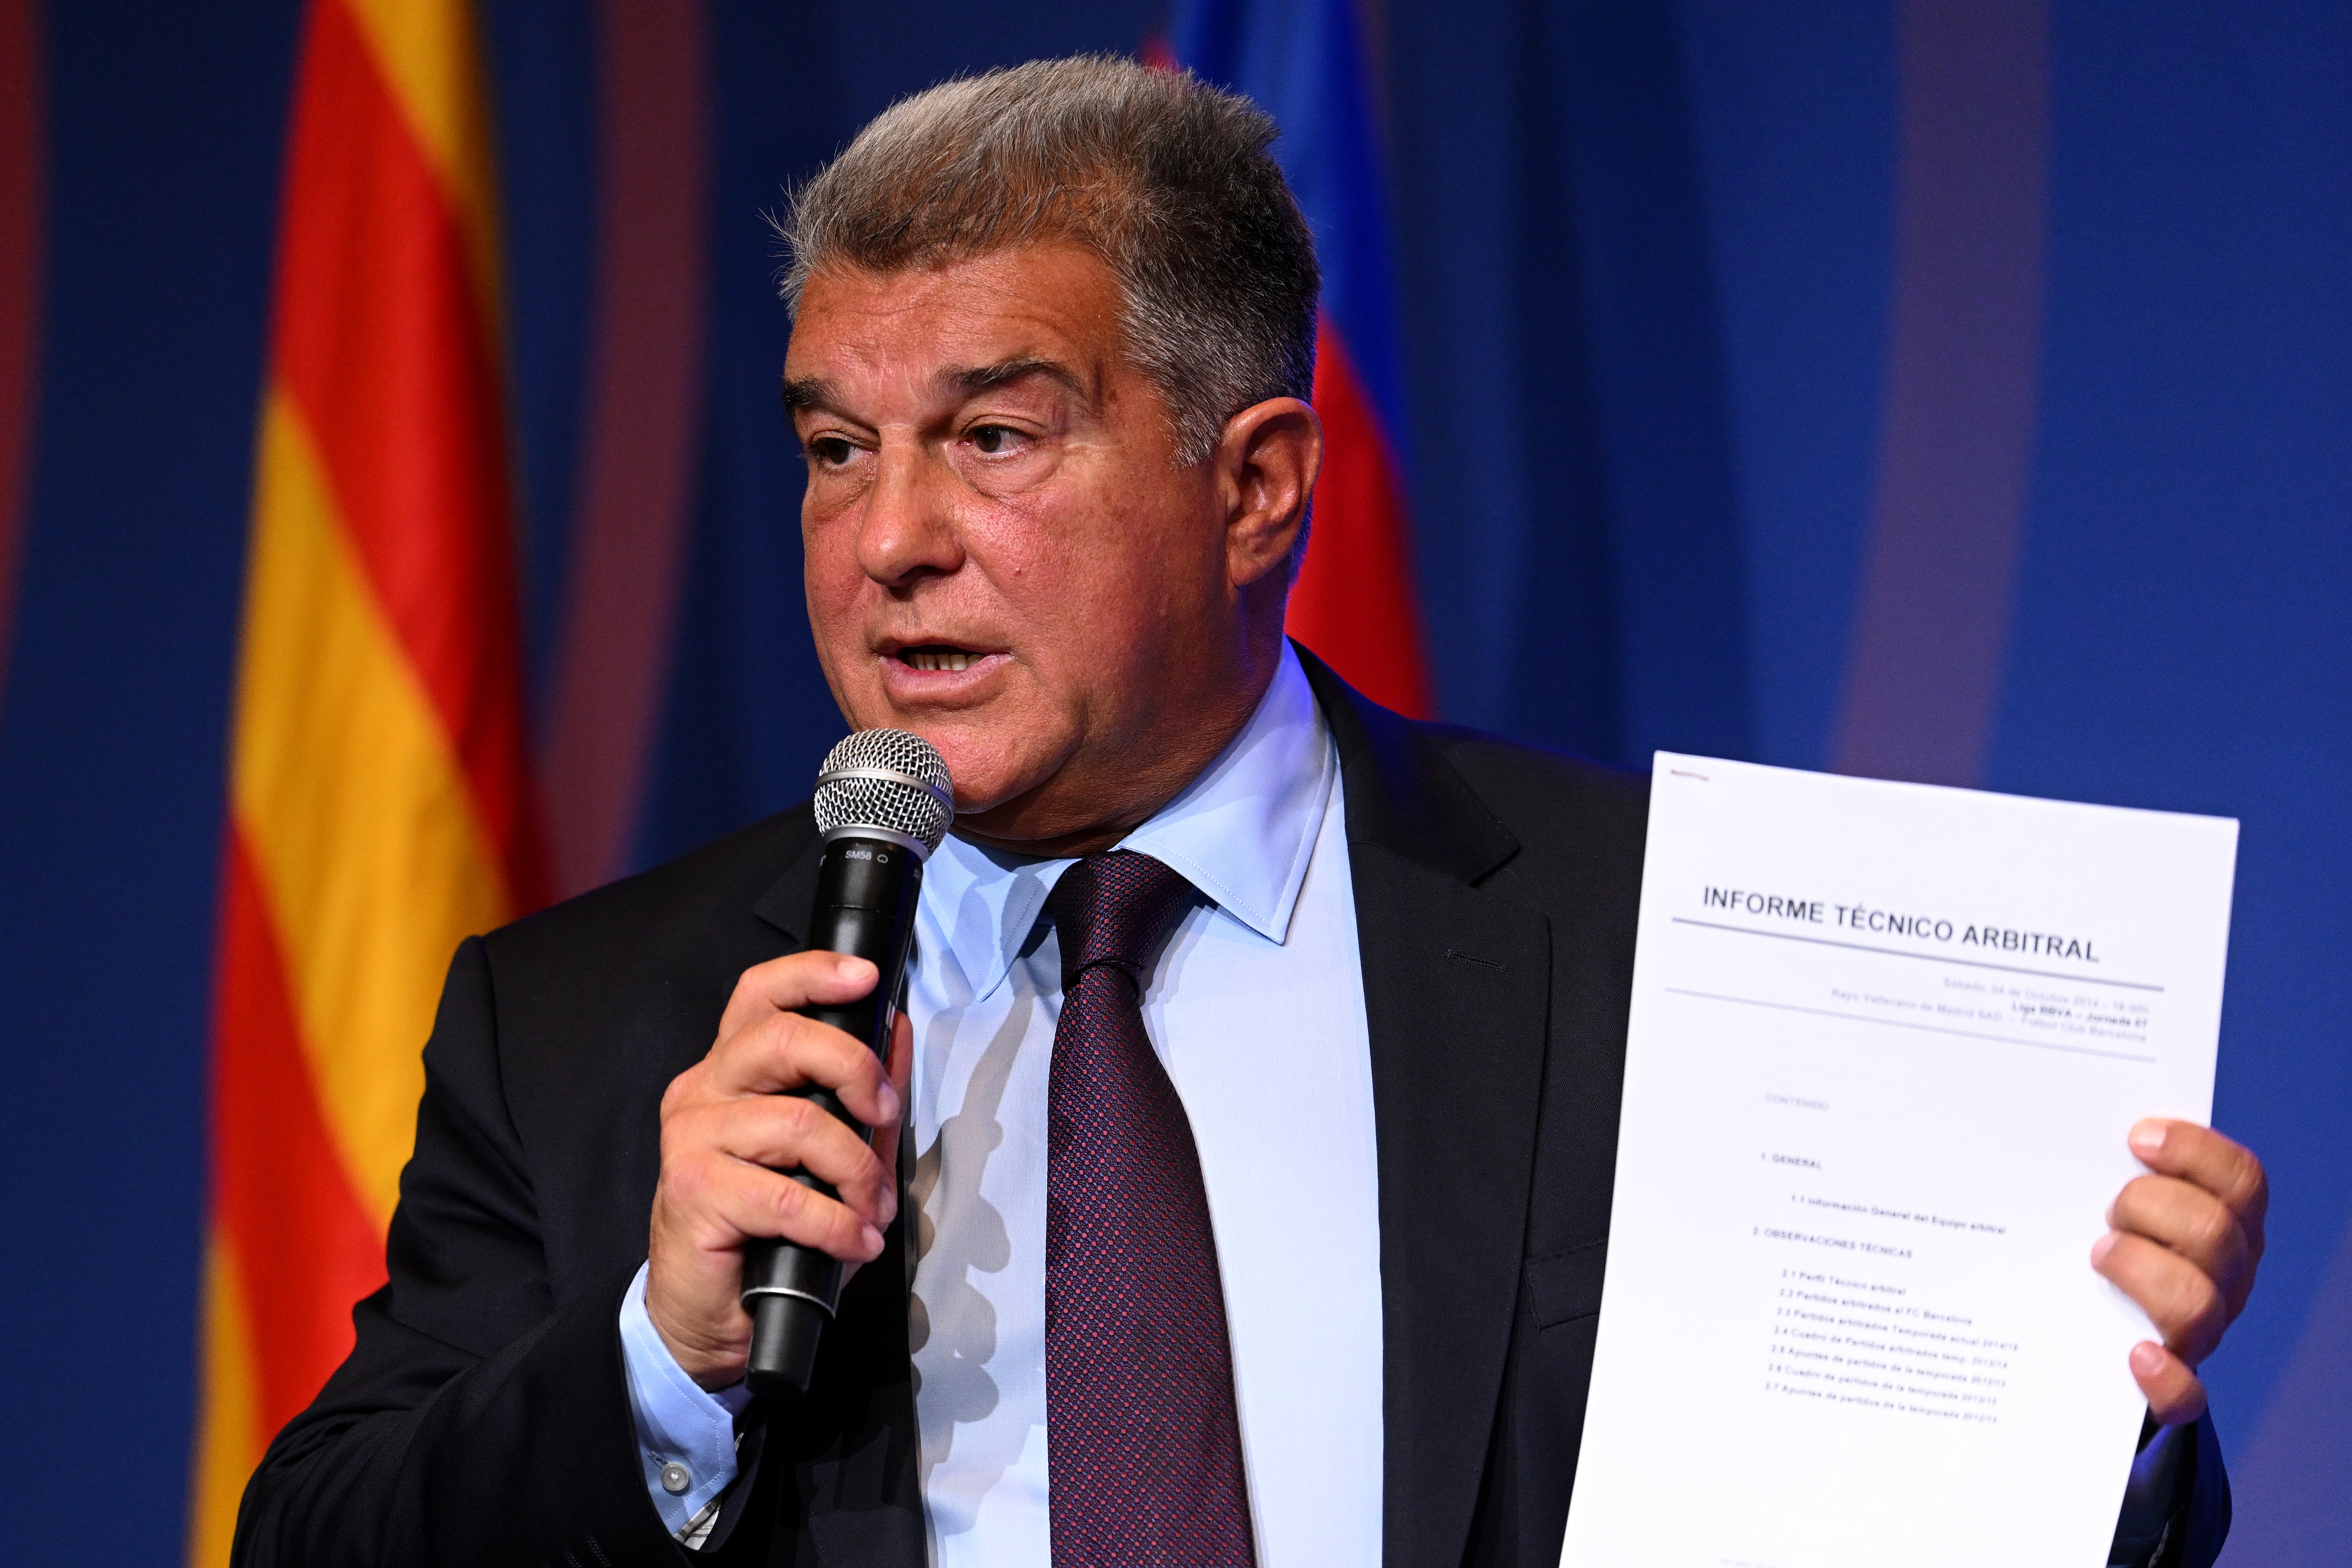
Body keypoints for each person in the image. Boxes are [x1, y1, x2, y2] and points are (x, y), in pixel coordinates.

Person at [233, 55, 2268, 1568]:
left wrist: (2084, 1410)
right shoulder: (588, 1023)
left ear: (1257, 485)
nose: (889, 542)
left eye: (993, 437)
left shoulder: (1647, 951)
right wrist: (661, 1359)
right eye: (836, 448)